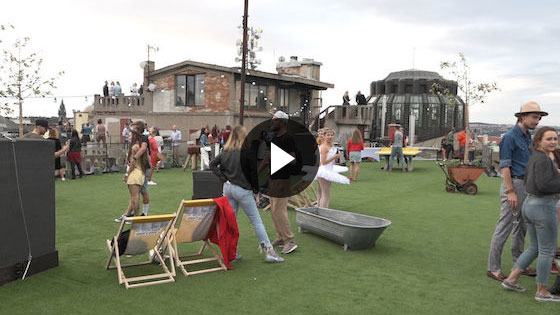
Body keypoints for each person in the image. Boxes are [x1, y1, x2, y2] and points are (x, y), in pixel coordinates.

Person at [486, 101, 546, 282]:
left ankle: (519, 263)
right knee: (505, 225)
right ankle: (493, 267)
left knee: (522, 226)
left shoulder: (528, 136)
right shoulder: (510, 137)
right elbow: (505, 166)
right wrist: (510, 191)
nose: (537, 121)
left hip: (526, 185)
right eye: (535, 117)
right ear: (523, 117)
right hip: (514, 184)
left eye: (539, 117)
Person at [501, 127, 560, 302]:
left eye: (555, 139)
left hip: (530, 205)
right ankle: (542, 291)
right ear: (539, 141)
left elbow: (531, 181)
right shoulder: (543, 160)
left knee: (534, 247)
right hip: (543, 207)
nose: (553, 142)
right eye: (549, 139)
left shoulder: (535, 157)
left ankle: (511, 279)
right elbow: (544, 185)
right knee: (546, 250)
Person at [210, 126, 284, 263]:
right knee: (256, 221)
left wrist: (224, 178)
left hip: (228, 188)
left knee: (231, 222)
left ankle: (231, 253)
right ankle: (270, 251)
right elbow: (253, 175)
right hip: (242, 190)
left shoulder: (225, 151)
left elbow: (212, 165)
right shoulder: (247, 152)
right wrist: (256, 192)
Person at [268, 111, 298, 254]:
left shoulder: (288, 138)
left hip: (283, 179)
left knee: (280, 210)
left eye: (274, 120)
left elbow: (293, 160)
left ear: (281, 122)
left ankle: (289, 240)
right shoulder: (275, 138)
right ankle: (280, 237)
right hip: (273, 178)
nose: (272, 122)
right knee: (274, 211)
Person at [115, 120, 151, 222]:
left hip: (137, 172)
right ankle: (129, 215)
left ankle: (136, 217)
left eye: (130, 132)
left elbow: (142, 151)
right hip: (140, 171)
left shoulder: (139, 142)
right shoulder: (137, 143)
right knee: (135, 195)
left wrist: (127, 174)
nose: (128, 135)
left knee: (137, 195)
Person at [317, 129, 350, 208]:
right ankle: (323, 211)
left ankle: (324, 209)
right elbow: (324, 162)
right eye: (328, 135)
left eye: (331, 135)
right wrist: (334, 157)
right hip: (324, 171)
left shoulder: (330, 146)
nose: (330, 137)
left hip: (329, 169)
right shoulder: (324, 147)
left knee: (327, 193)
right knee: (325, 193)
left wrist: (335, 159)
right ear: (324, 136)